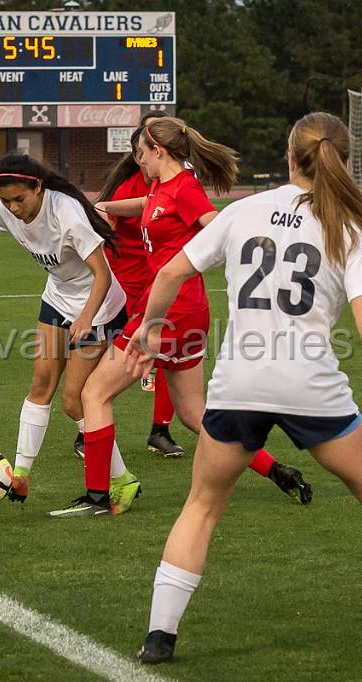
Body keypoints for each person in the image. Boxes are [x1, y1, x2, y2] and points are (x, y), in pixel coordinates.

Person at [127, 113, 362, 662]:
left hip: (239, 385)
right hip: (311, 386)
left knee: (201, 506)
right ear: (341, 160)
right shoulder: (348, 226)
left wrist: (151, 329)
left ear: (289, 154)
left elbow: (171, 273)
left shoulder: (244, 211)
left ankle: (159, 638)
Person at [47, 116, 312, 518]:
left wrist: (255, 257)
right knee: (192, 413)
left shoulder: (186, 189)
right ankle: (277, 470)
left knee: (93, 394)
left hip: (169, 312)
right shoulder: (163, 186)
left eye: (142, 155)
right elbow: (149, 205)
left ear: (159, 151)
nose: (140, 164)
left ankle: (99, 496)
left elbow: (216, 225)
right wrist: (103, 207)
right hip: (187, 312)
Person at [0, 154, 141, 514]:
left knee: (74, 400)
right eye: (5, 201)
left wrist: (87, 319)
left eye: (20, 199)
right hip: (58, 300)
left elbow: (102, 275)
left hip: (99, 306)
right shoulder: (6, 211)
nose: (13, 208)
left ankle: (122, 478)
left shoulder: (67, 214)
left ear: (38, 187)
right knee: (40, 386)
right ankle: (20, 473)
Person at [95, 111, 184, 458]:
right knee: (107, 362)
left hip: (161, 283)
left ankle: (159, 430)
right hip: (131, 284)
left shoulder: (173, 182)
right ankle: (87, 426)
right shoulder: (131, 186)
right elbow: (105, 235)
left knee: (167, 352)